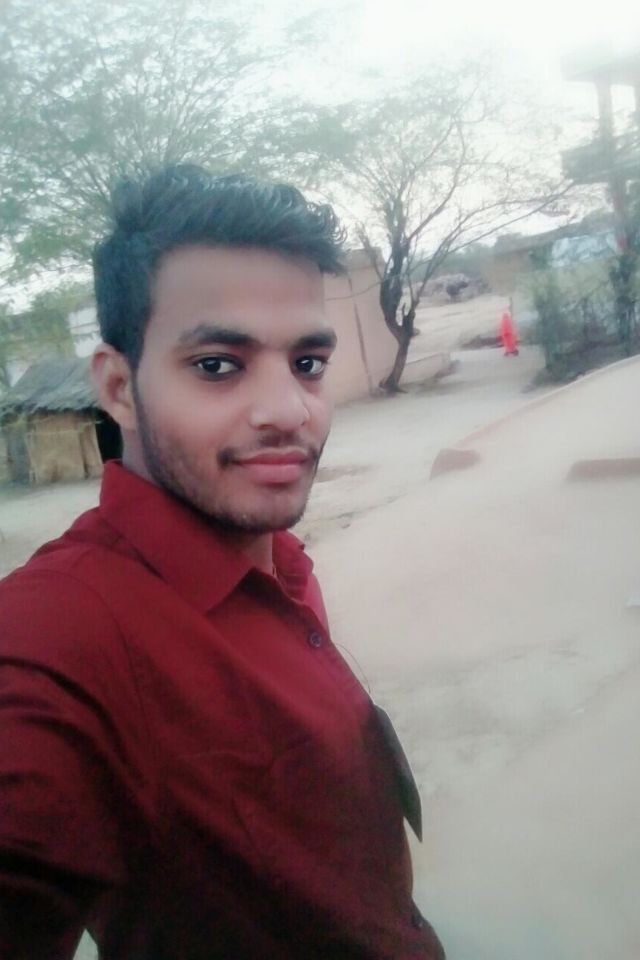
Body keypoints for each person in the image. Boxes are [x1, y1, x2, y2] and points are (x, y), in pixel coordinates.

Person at [0, 166, 445, 960]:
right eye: (216, 365)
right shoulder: (58, 634)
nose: (288, 411)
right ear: (118, 386)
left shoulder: (280, 561)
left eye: (307, 364)